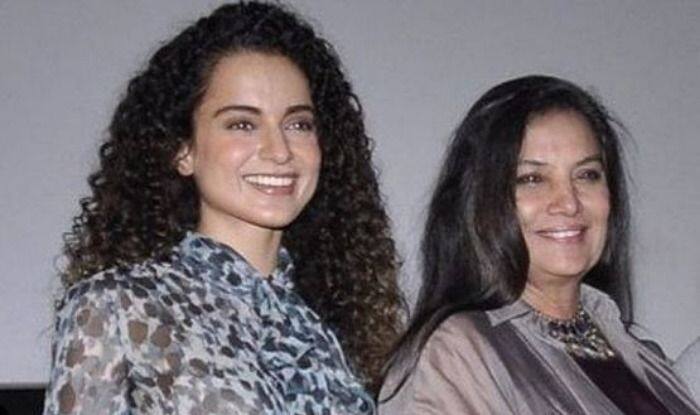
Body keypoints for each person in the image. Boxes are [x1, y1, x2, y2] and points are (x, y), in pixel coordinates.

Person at [44, 2, 403, 414]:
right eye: (242, 124)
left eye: (298, 124)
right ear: (183, 150)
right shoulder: (117, 307)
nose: (280, 151)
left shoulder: (336, 325)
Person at [379, 75, 699, 414]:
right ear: (478, 201)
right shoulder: (456, 352)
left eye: (587, 174)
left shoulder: (645, 358)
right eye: (532, 179)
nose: (569, 203)